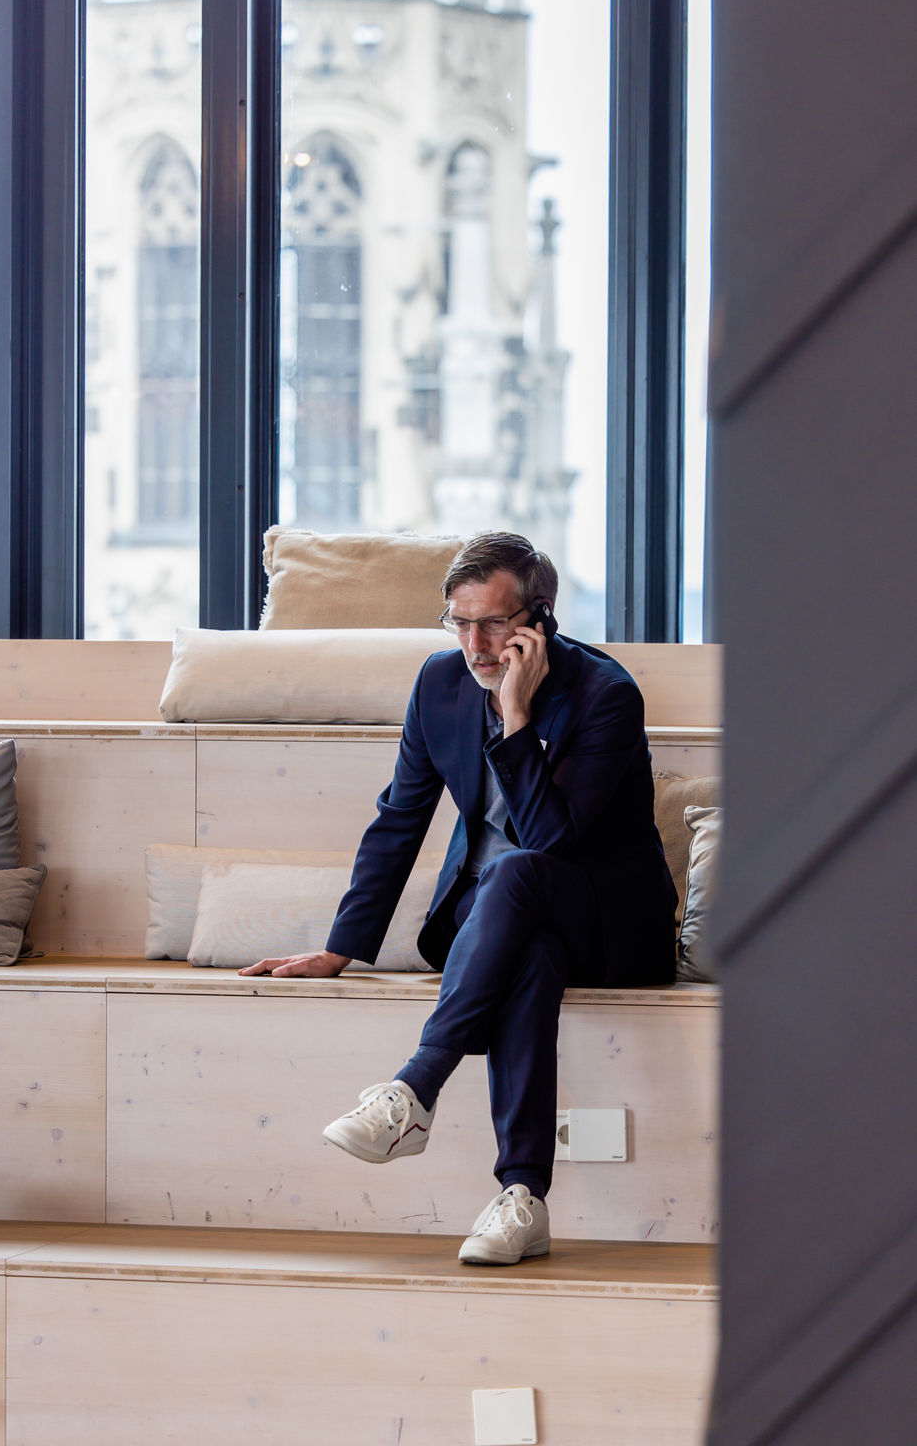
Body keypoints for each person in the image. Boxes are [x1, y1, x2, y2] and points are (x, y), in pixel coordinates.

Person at [240, 532, 677, 1265]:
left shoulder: (605, 696)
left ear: (538, 620)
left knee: (515, 874)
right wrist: (343, 947)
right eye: (458, 621)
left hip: (609, 926)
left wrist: (515, 716)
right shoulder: (437, 686)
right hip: (504, 929)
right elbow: (399, 818)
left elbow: (548, 842)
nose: (474, 644)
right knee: (529, 958)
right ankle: (523, 1199)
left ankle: (414, 1087)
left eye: (494, 623)